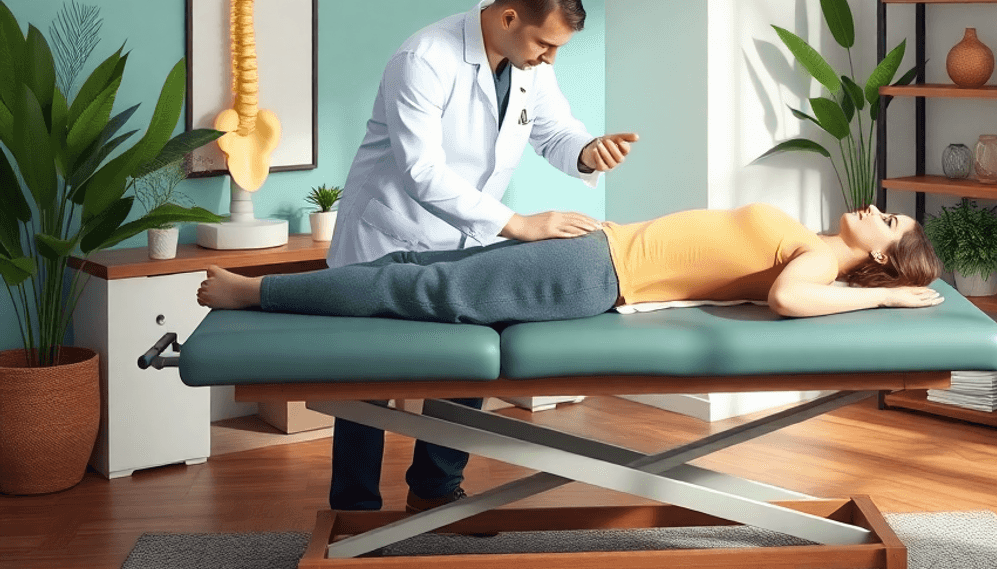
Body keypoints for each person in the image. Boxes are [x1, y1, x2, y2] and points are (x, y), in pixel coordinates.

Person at [323, 0, 637, 521]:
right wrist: (517, 224)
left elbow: (553, 130)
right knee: (366, 383)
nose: (550, 58)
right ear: (509, 16)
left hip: (464, 238)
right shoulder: (423, 59)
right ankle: (355, 515)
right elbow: (421, 172)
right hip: (386, 235)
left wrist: (588, 149)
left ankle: (436, 489)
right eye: (545, 43)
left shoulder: (530, 63)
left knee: (467, 365)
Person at [199, 203, 944, 324]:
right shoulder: (810, 235)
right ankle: (261, 292)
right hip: (597, 248)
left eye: (889, 220)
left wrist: (889, 300)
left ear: (880, 252)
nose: (877, 209)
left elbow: (789, 301)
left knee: (419, 288)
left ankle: (252, 296)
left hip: (596, 276)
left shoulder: (818, 262)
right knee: (416, 259)